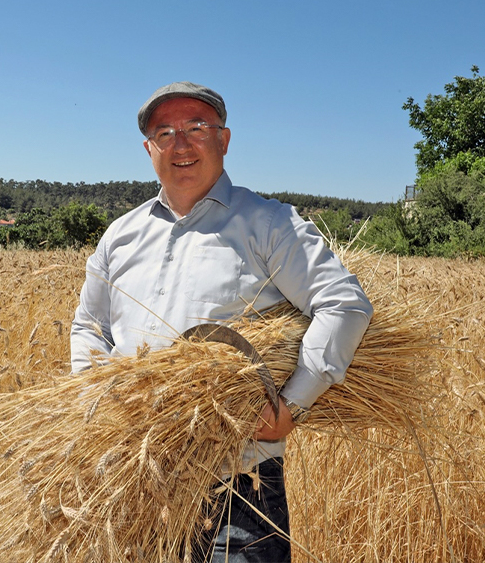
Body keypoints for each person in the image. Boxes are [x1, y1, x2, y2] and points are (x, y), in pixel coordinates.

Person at [70, 81, 373, 563]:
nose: (181, 143)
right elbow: (89, 327)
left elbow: (343, 304)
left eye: (196, 127)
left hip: (239, 483)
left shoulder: (270, 223)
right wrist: (96, 404)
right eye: (164, 132)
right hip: (134, 479)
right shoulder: (120, 236)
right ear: (149, 149)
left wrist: (292, 405)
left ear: (224, 140)